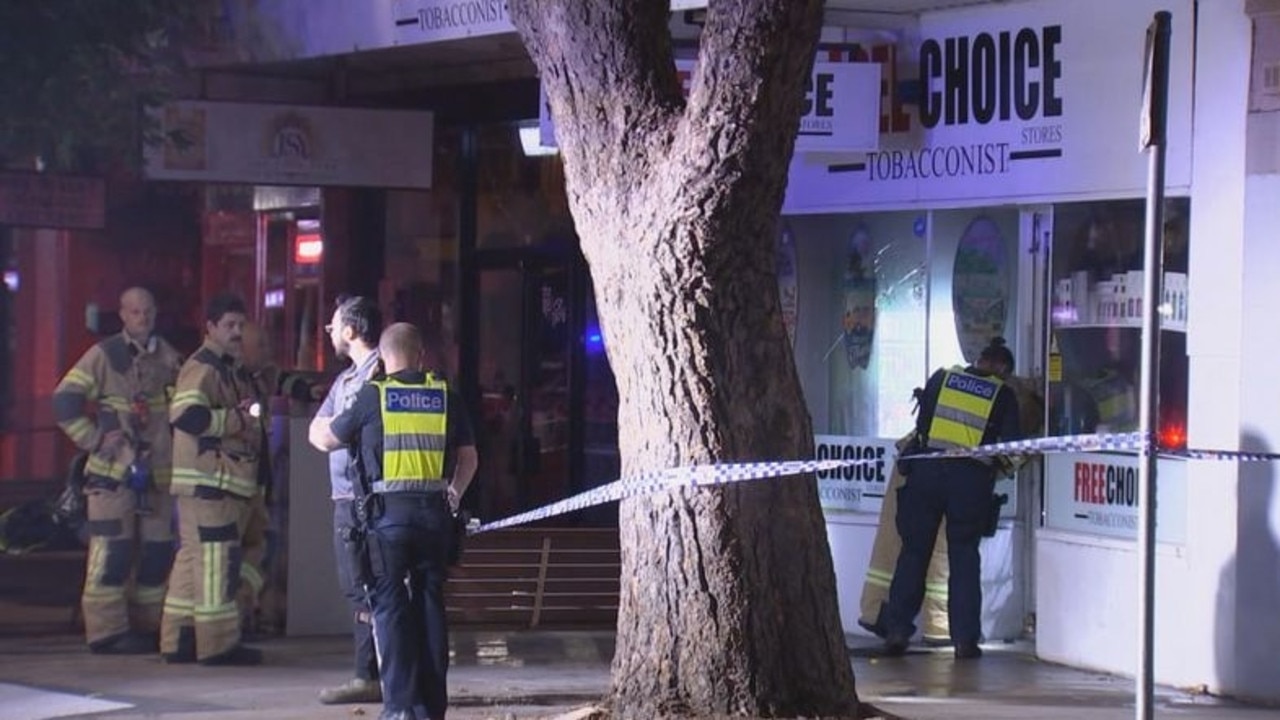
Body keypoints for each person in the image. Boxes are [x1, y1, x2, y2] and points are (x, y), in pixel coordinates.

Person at [313, 322, 478, 720]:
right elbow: (470, 458)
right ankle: (431, 708)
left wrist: (318, 425)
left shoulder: (374, 395)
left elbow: (328, 439)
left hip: (387, 523)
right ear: (421, 356)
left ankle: (400, 707)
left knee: (388, 610)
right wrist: (452, 493)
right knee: (430, 606)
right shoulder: (445, 396)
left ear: (384, 359)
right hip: (435, 519)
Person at [51, 286, 183, 654]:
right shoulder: (103, 356)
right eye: (135, 312)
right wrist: (94, 439)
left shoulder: (168, 356)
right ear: (123, 315)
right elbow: (64, 401)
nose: (143, 318)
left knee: (157, 555)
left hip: (156, 477)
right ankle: (107, 631)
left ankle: (149, 625)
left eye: (148, 311)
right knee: (113, 554)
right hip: (112, 478)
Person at [882, 336, 1021, 660]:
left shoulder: (942, 377)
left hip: (926, 472)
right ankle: (964, 642)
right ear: (1000, 367)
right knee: (964, 558)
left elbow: (922, 428)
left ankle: (897, 631)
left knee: (914, 553)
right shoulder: (1003, 393)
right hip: (969, 481)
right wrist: (993, 468)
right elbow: (1012, 449)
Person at [160, 292, 265, 666]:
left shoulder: (226, 367)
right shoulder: (204, 367)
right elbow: (185, 415)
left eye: (241, 325)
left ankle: (179, 641)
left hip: (205, 484)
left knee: (192, 561)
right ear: (211, 328)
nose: (237, 332)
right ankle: (217, 644)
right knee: (216, 563)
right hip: (211, 482)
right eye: (229, 326)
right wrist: (236, 421)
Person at [308, 295, 385, 705]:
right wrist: (333, 431)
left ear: (351, 331)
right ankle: (372, 672)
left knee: (364, 588)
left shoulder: (377, 377)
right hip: (348, 498)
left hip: (364, 500)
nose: (331, 333)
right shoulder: (347, 380)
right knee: (359, 587)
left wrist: (334, 431)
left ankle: (368, 675)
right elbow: (319, 431)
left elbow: (334, 432)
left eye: (333, 326)